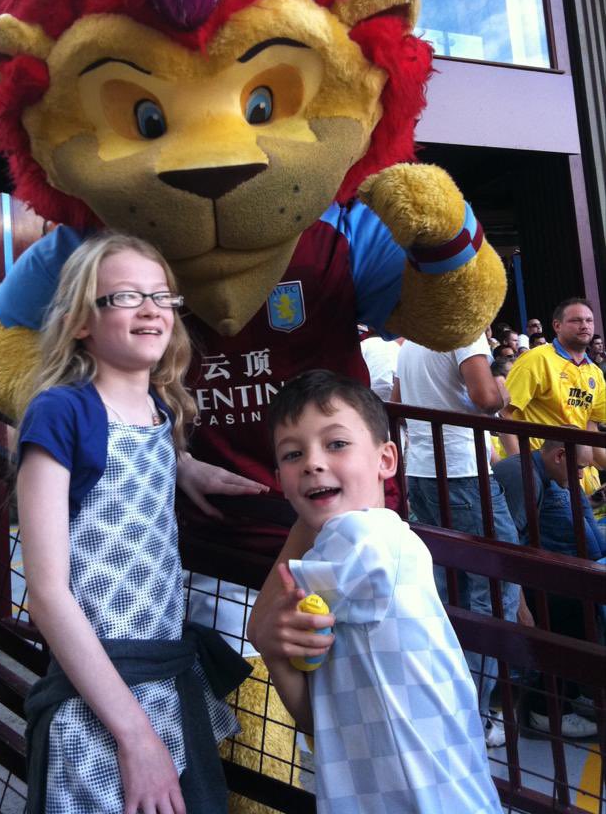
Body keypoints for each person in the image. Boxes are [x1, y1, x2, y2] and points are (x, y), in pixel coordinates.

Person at [16, 232, 250, 814]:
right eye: (124, 297)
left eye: (162, 296)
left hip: (166, 680)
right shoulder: (62, 411)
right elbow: (46, 594)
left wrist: (184, 466)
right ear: (80, 322)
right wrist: (135, 736)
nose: (150, 308)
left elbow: (146, 465)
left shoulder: (162, 412)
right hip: (103, 696)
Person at [255, 370, 502, 814]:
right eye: (293, 454)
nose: (312, 462)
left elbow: (265, 616)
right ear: (280, 475)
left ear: (387, 459)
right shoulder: (383, 539)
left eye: (336, 444)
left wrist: (300, 521)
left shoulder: (361, 538)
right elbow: (319, 714)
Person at [392, 334, 520, 744]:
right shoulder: (465, 334)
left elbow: (396, 403)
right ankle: (474, 716)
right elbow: (486, 398)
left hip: (422, 473)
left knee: (450, 595)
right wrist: (502, 388)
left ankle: (446, 707)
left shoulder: (412, 342)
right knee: (497, 588)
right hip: (463, 473)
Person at [494, 439, 600, 738]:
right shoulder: (523, 478)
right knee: (565, 606)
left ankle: (566, 693)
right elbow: (502, 546)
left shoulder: (537, 473)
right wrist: (521, 605)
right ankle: (544, 711)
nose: (581, 476)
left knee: (581, 598)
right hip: (500, 576)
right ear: (559, 456)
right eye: (579, 468)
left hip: (520, 570)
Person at [503, 298, 606, 473]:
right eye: (576, 320)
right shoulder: (536, 359)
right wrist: (523, 470)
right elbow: (505, 414)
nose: (584, 325)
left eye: (589, 320)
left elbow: (591, 429)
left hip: (580, 474)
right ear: (557, 326)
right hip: (540, 470)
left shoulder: (595, 373)